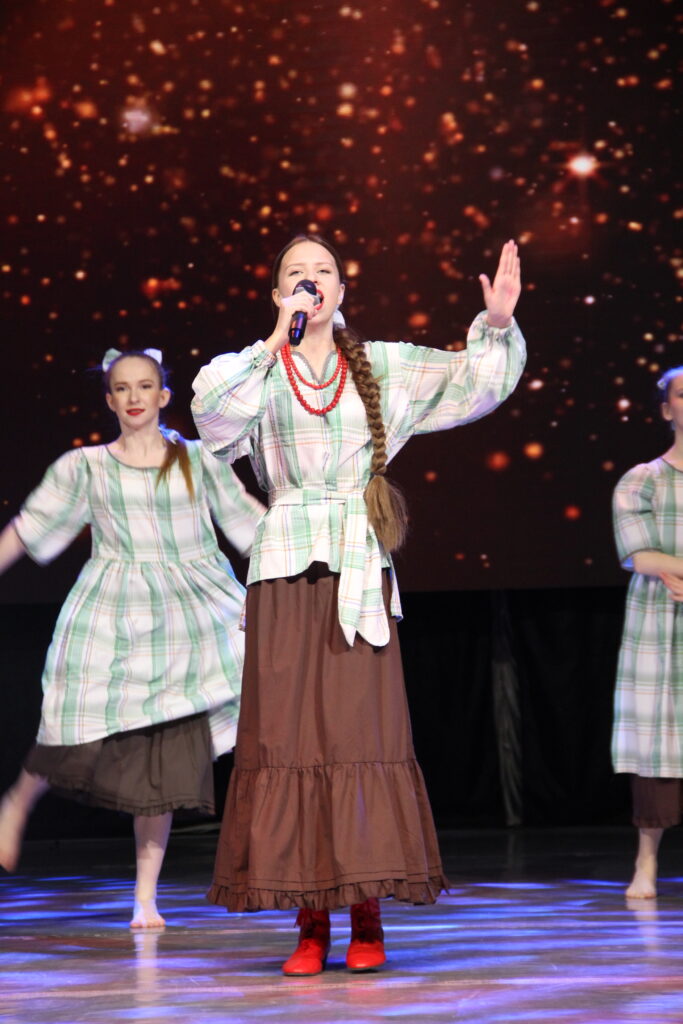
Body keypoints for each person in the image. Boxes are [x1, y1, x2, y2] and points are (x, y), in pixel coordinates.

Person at [191, 234, 525, 974]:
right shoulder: (253, 368)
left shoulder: (383, 364)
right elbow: (212, 419)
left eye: (323, 273)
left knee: (358, 736)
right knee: (290, 744)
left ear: (343, 290)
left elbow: (472, 382)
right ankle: (310, 920)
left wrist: (497, 325)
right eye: (295, 275)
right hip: (283, 568)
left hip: (355, 566)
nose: (310, 283)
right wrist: (275, 340)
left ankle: (366, 914)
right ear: (277, 292)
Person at [0, 348, 264, 928]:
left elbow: (251, 524)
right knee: (73, 721)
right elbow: (29, 527)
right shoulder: (86, 467)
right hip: (114, 613)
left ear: (163, 395)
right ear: (110, 399)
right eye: (122, 388)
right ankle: (17, 801)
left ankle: (145, 899)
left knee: (161, 767)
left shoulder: (198, 461)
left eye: (145, 386)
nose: (135, 396)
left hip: (192, 620)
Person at [612, 365, 683, 899]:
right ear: (667, 409)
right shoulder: (643, 480)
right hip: (661, 626)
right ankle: (647, 860)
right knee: (659, 745)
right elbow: (640, 555)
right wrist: (665, 565)